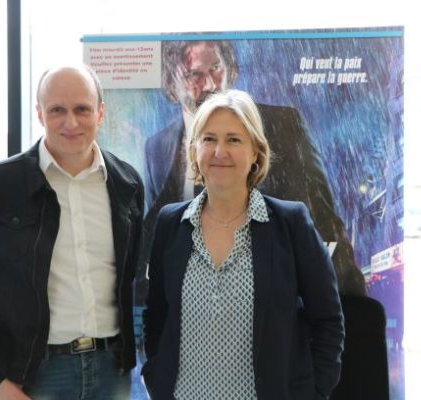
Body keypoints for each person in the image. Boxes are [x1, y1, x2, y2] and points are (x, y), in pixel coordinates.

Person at [0, 64, 144, 400]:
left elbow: (134, 282)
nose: (71, 122)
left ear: (100, 113)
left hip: (112, 372)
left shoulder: (127, 183)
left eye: (82, 109)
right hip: (34, 376)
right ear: (40, 114)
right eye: (57, 110)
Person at [142, 89, 344, 400]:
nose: (219, 151)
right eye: (209, 139)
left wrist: (315, 392)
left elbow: (328, 320)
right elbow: (157, 316)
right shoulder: (171, 223)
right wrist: (156, 377)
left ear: (255, 152)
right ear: (194, 150)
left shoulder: (290, 224)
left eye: (234, 140)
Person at [141, 40, 361, 299]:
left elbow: (323, 221)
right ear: (172, 82)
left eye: (216, 68)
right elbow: (157, 244)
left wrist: (351, 300)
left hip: (275, 301)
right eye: (194, 74)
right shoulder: (156, 148)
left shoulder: (284, 125)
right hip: (192, 304)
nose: (210, 84)